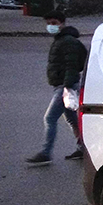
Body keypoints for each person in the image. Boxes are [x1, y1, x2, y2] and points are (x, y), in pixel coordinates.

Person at [25, 10, 87, 166]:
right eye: (48, 23)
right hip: (63, 84)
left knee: (50, 118)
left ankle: (46, 153)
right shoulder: (62, 40)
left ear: (62, 23)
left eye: (53, 23)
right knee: (72, 119)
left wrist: (67, 86)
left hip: (65, 86)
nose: (50, 26)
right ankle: (83, 149)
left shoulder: (68, 41)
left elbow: (72, 65)